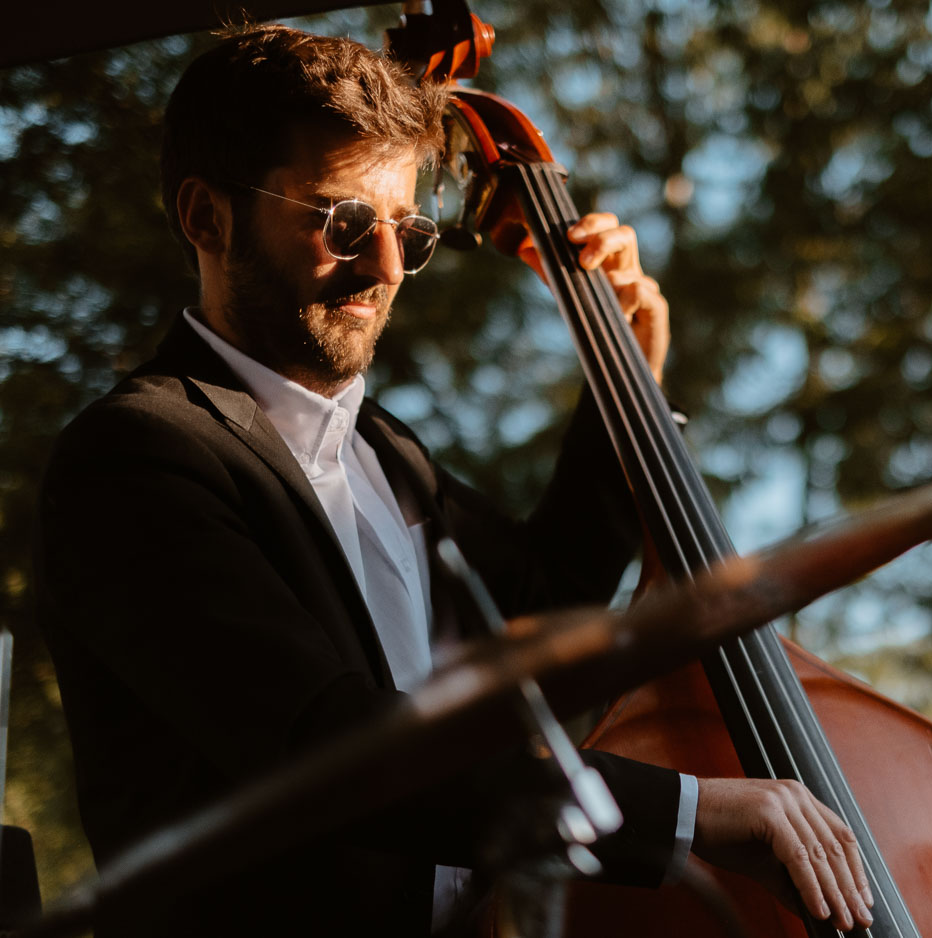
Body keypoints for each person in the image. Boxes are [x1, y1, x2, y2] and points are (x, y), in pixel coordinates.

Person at [33, 23, 874, 938]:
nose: (388, 269)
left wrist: (622, 379)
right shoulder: (138, 456)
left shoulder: (387, 455)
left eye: (409, 231)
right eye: (345, 221)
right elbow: (322, 747)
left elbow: (553, 604)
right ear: (207, 216)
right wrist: (688, 811)